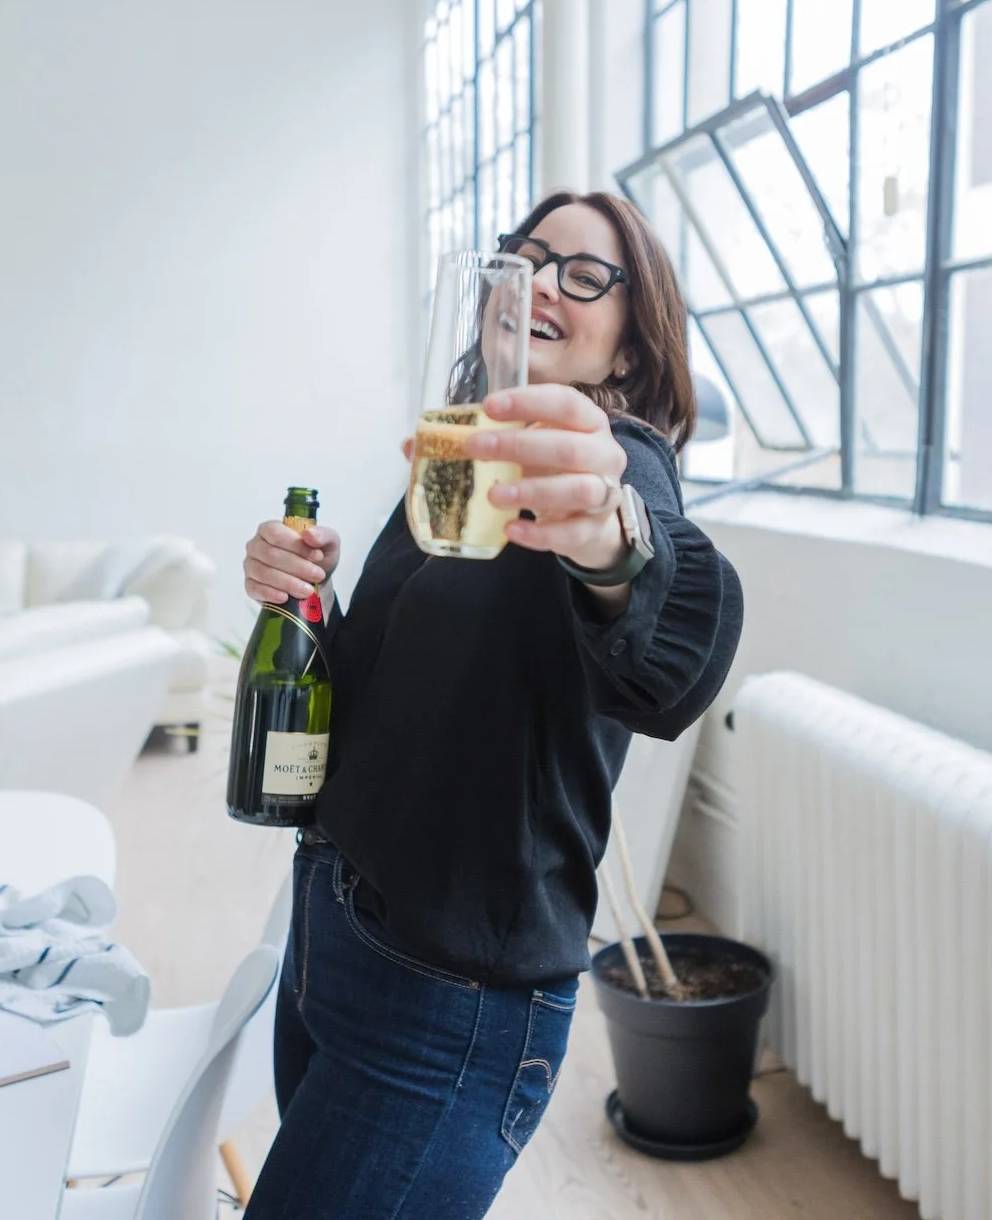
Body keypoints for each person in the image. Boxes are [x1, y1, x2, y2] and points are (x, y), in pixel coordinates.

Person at [239, 191, 744, 1218]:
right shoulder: (460, 452)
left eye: (585, 275)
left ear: (630, 345)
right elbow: (401, 679)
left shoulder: (618, 467)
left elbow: (672, 653)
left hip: (446, 1002)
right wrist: (308, 598)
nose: (543, 281)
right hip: (338, 926)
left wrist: (609, 533)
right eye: (527, 256)